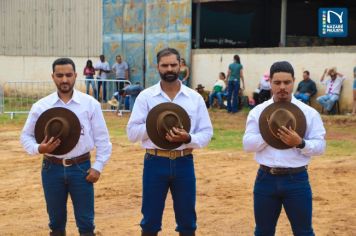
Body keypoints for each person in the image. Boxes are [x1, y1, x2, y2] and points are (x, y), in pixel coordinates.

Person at [20, 58, 112, 236]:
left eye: (68, 75)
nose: (64, 80)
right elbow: (25, 136)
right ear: (53, 77)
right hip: (51, 168)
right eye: (60, 75)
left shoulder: (90, 104)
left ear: (76, 76)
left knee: (86, 224)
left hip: (81, 168)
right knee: (56, 224)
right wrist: (40, 148)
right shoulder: (41, 106)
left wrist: (98, 167)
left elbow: (103, 140)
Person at [127, 48, 213, 236]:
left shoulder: (194, 98)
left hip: (184, 162)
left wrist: (188, 138)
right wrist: (156, 127)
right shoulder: (146, 97)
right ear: (157, 67)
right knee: (149, 222)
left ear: (180, 65)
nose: (169, 69)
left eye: (173, 64)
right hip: (155, 162)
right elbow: (132, 133)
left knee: (187, 223)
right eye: (164, 65)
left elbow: (207, 133)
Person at [243, 61, 326, 236]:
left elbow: (320, 146)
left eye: (287, 82)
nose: (282, 87)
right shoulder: (258, 112)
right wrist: (270, 132)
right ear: (270, 83)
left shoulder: (309, 113)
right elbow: (247, 144)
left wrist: (300, 142)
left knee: (303, 232)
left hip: (297, 179)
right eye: (277, 82)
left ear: (294, 81)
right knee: (263, 232)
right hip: (265, 178)